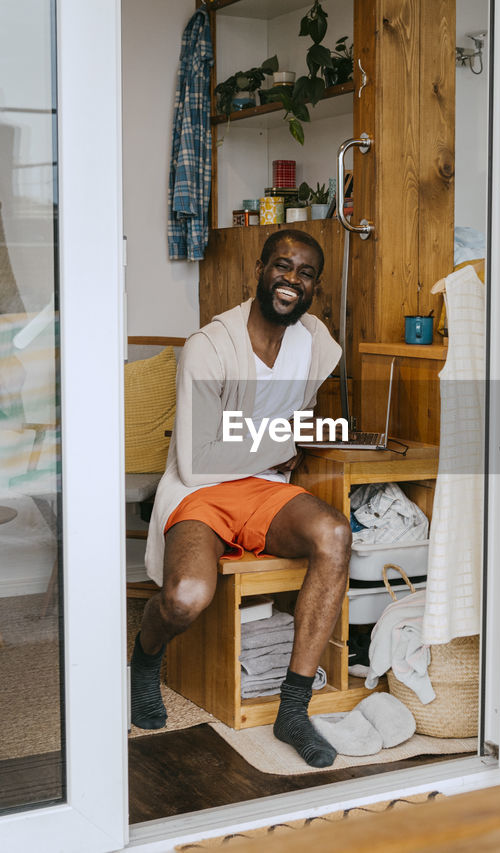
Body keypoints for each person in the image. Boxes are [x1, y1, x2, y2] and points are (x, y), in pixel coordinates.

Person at [132, 229, 350, 768]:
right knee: (184, 598)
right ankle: (144, 661)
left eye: (304, 273)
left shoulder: (314, 340)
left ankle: (293, 708)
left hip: (263, 489)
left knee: (336, 534)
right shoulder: (210, 347)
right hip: (201, 491)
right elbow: (199, 458)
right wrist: (288, 441)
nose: (291, 280)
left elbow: (296, 421)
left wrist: (300, 442)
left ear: (315, 287)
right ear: (259, 268)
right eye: (282, 266)